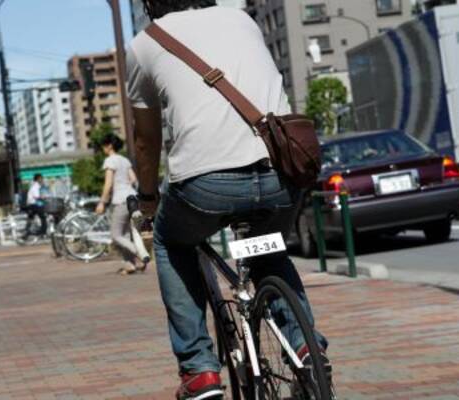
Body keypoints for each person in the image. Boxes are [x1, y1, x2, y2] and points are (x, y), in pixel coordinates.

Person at [128, 1, 330, 399]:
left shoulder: (144, 44)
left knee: (171, 242)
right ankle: (307, 348)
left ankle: (199, 370)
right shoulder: (242, 18)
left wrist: (148, 201)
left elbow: (146, 140)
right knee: (266, 250)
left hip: (205, 186)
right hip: (281, 172)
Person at [95, 133, 146, 275]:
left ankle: (140, 253)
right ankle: (129, 265)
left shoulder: (110, 160)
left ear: (109, 146)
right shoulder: (124, 160)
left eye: (104, 146)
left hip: (121, 200)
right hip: (133, 198)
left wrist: (102, 202)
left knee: (116, 235)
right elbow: (134, 179)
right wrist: (126, 186)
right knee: (125, 234)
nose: (103, 149)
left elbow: (108, 184)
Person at [25, 173, 48, 238]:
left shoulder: (35, 186)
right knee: (43, 217)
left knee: (30, 218)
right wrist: (44, 198)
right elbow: (37, 196)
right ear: (38, 179)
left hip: (31, 205)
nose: (42, 180)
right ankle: (43, 232)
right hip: (33, 205)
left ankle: (26, 232)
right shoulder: (36, 186)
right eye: (41, 178)